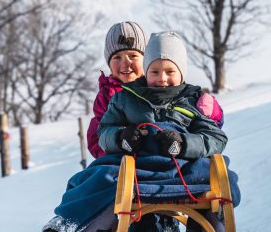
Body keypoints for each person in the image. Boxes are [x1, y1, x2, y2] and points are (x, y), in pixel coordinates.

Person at [26, 31, 240, 232]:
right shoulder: (126, 99)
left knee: (222, 174)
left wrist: (183, 143)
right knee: (101, 175)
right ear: (146, 71)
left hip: (181, 170)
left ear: (181, 71)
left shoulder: (194, 101)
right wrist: (122, 138)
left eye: (170, 72)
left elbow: (215, 138)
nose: (162, 79)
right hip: (138, 170)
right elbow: (104, 132)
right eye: (155, 72)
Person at [87, 21, 224, 159]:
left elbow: (213, 133)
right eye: (117, 57)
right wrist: (121, 139)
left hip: (180, 164)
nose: (125, 63)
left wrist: (184, 142)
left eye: (133, 56)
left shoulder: (190, 99)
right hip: (132, 164)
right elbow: (100, 137)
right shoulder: (114, 99)